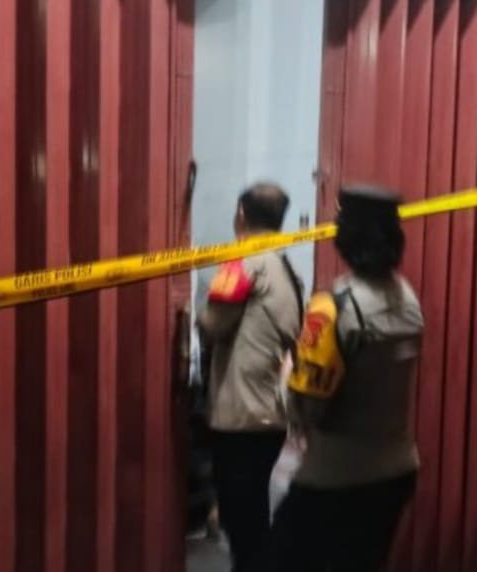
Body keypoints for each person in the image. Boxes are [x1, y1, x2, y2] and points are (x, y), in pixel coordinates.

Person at [263, 185, 424, 572]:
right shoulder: (408, 299)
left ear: (345, 238)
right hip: (396, 471)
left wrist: (286, 373)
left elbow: (304, 410)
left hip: (336, 478)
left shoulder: (333, 307)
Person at [197, 182, 304, 572]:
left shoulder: (245, 261)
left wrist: (191, 318)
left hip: (240, 415)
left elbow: (212, 324)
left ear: (241, 213)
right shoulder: (287, 267)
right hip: (270, 414)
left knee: (244, 524)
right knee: (254, 514)